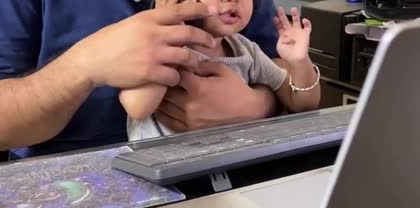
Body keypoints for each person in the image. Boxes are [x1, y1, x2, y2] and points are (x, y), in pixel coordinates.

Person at [0, 0, 282, 159]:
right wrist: (83, 65)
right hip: (76, 190)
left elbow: (285, 69)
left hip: (221, 170)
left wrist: (258, 107)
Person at [121, 0, 321, 140]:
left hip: (224, 172)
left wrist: (300, 62)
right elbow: (138, 107)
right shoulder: (153, 46)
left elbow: (302, 103)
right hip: (160, 179)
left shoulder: (246, 49)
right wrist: (168, 34)